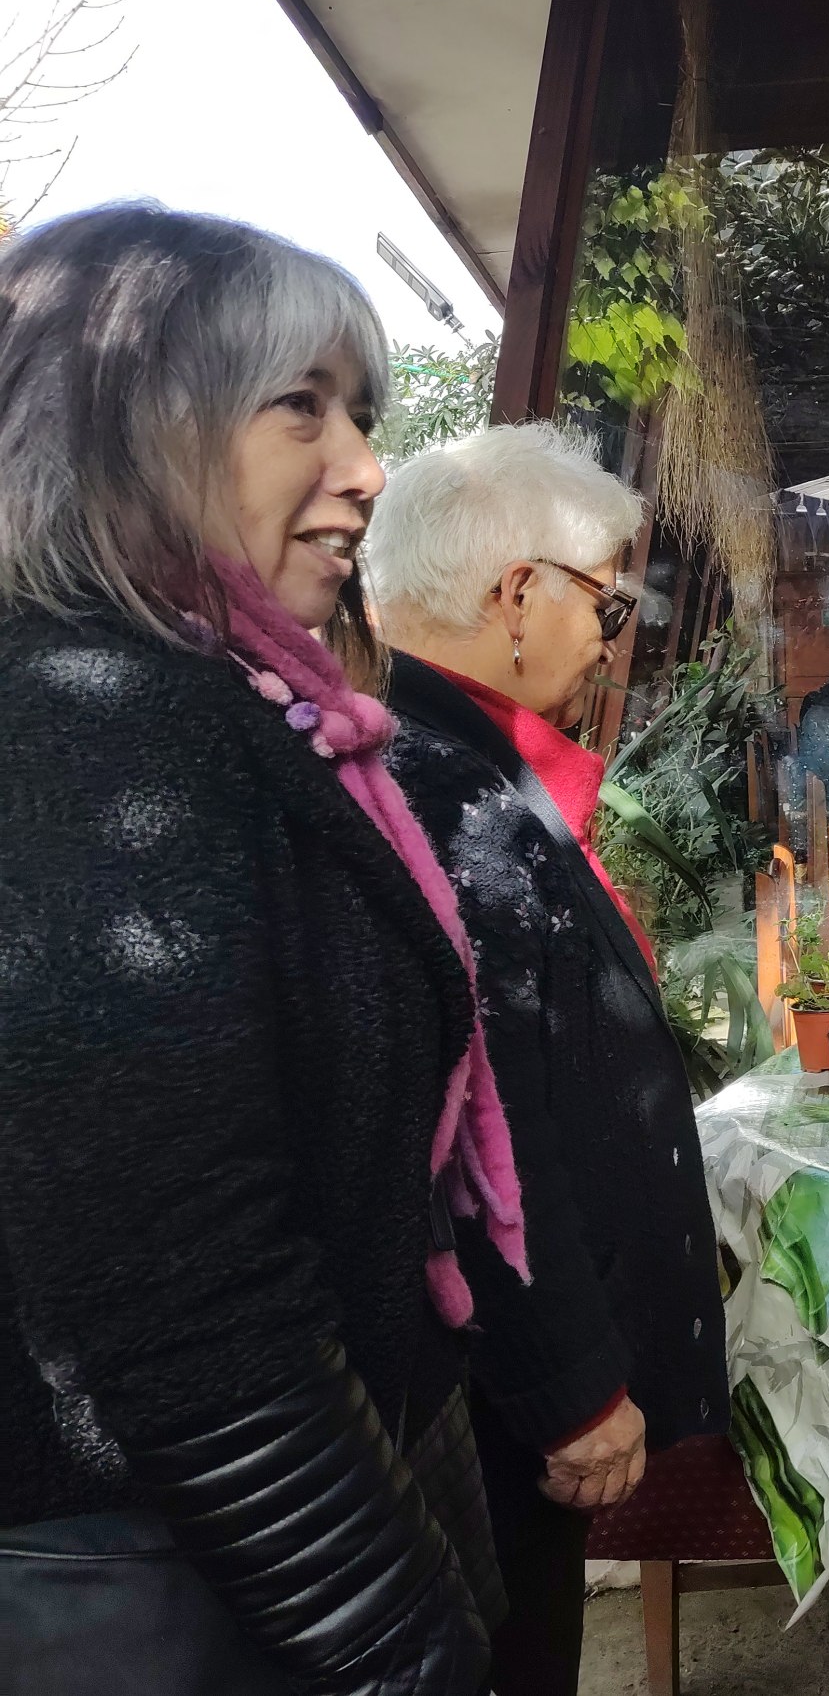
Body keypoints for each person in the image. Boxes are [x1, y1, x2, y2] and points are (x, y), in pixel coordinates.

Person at [0, 206, 505, 1693]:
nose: (365, 468)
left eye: (363, 415)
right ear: (124, 428)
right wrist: (406, 1648)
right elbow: (184, 1290)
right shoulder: (89, 721)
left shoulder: (206, 700)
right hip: (178, 1595)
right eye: (302, 406)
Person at [369, 423, 729, 1696]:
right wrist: (573, 1384)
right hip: (496, 1406)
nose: (612, 638)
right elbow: (484, 1126)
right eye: (606, 602)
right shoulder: (443, 798)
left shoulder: (449, 764)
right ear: (518, 595)